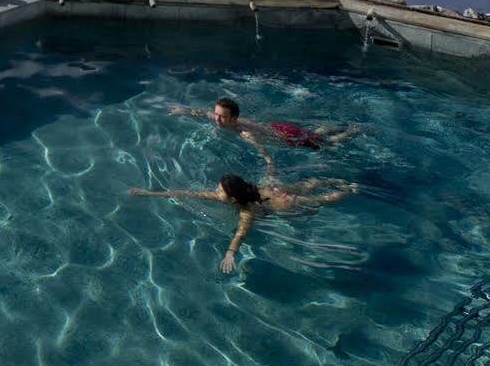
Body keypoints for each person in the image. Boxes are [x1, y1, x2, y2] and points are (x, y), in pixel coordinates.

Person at [130, 172, 358, 273]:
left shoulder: (246, 211)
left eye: (219, 190)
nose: (214, 191)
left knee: (319, 201)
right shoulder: (236, 195)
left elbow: (241, 233)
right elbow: (187, 193)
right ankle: (339, 181)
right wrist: (150, 194)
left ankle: (350, 189)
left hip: (283, 205)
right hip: (272, 190)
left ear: (231, 199)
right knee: (308, 185)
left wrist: (230, 253)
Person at [170, 96, 360, 153]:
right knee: (316, 133)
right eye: (217, 115)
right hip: (279, 126)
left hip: (288, 137)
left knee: (328, 143)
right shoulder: (223, 118)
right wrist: (183, 110)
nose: (217, 119)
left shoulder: (245, 133)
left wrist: (270, 170)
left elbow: (264, 152)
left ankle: (353, 131)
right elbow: (204, 113)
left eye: (222, 117)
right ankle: (334, 126)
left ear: (234, 119)